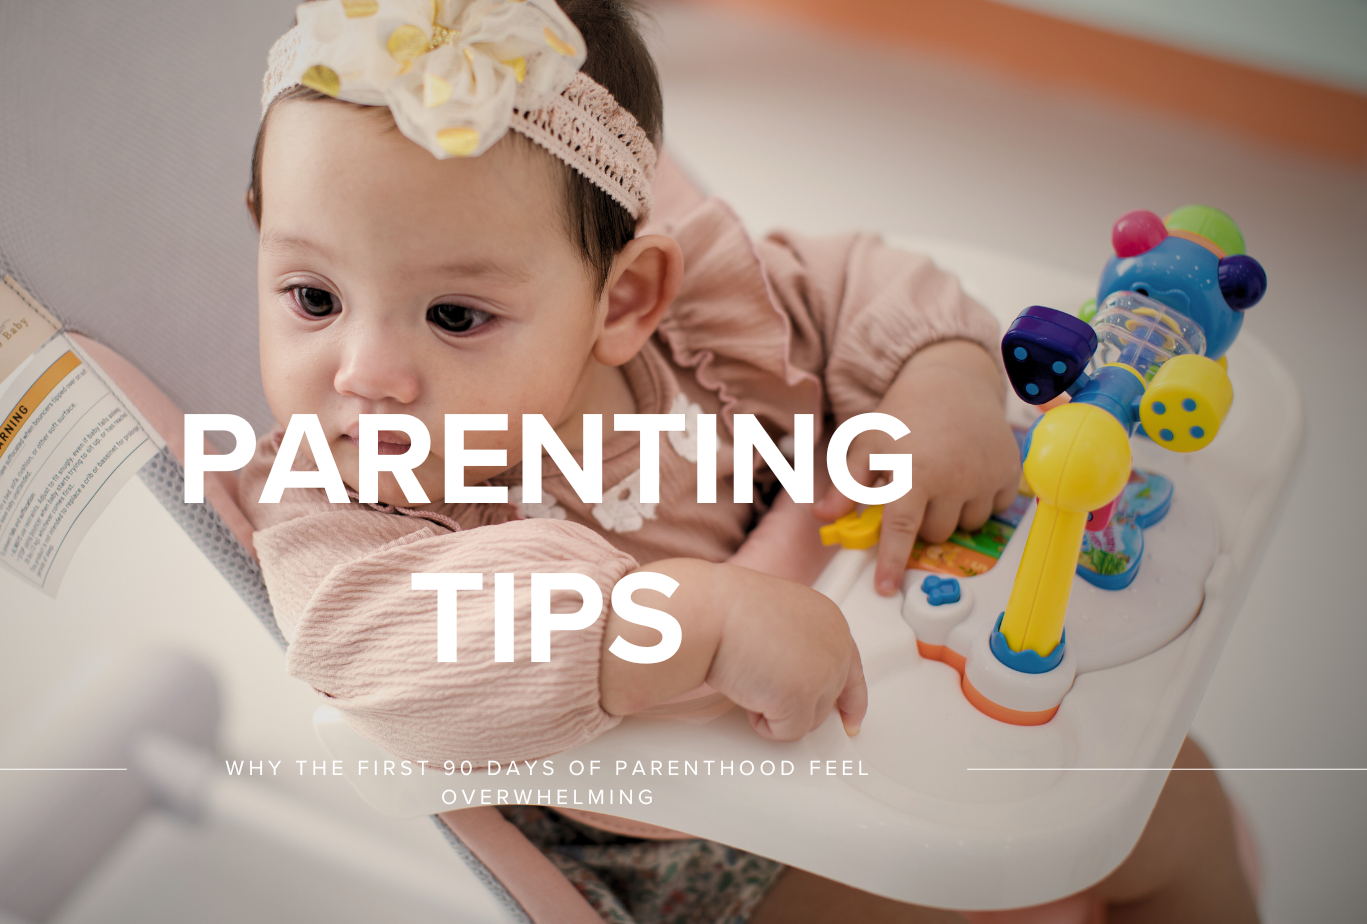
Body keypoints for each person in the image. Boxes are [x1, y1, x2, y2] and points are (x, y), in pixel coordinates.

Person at [236, 1, 1259, 920]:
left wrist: (937, 393)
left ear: (624, 301)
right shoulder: (336, 515)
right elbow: (387, 648)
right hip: (703, 855)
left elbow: (860, 282)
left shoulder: (702, 322)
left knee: (1173, 793)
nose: (364, 373)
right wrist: (693, 623)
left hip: (875, 673)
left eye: (455, 315)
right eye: (311, 298)